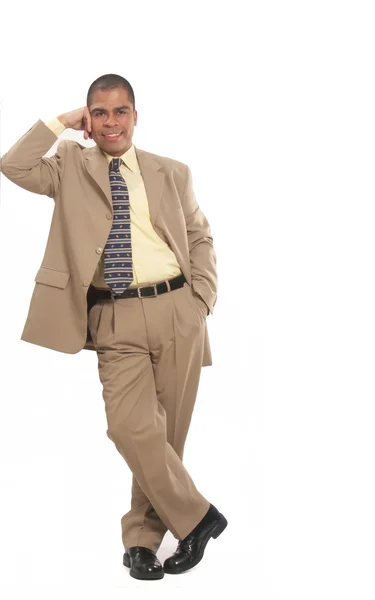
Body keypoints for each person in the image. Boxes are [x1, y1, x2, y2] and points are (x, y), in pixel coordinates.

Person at [0, 73, 227, 580]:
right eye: (99, 113)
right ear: (88, 120)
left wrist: (201, 301)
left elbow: (199, 237)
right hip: (113, 314)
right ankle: (198, 517)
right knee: (131, 427)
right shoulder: (68, 168)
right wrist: (61, 121)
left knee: (165, 436)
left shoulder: (172, 172)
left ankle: (143, 542)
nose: (110, 122)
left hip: (176, 310)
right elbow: (12, 165)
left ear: (135, 116)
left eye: (120, 111)